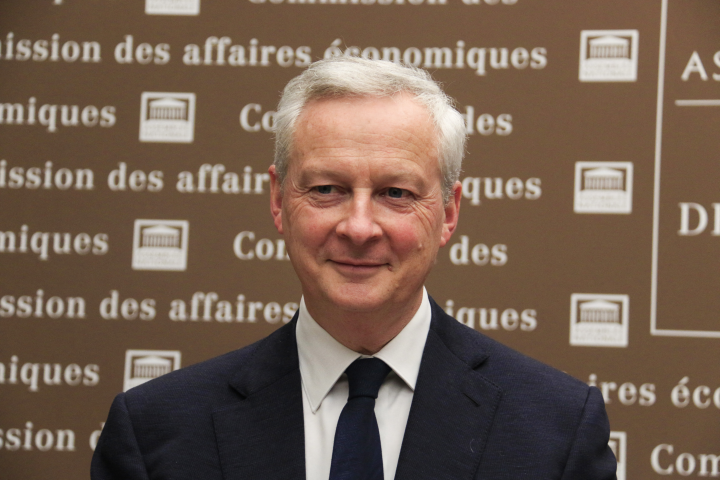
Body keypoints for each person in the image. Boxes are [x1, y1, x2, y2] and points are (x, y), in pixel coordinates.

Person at [91, 57, 617, 480]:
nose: (360, 227)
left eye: (396, 193)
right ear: (278, 200)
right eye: (326, 190)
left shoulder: (557, 431)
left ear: (449, 213)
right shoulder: (155, 433)